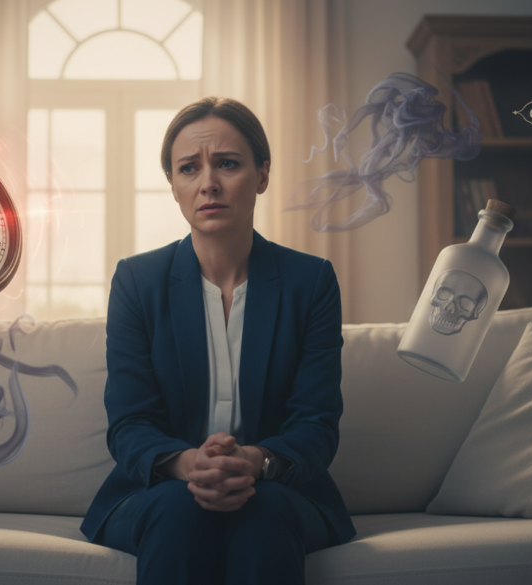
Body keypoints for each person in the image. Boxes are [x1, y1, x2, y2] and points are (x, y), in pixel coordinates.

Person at [80, 96, 355, 584]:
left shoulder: (310, 282)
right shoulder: (137, 282)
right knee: (179, 509)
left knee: (263, 510)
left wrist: (255, 461)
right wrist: (188, 465)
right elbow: (130, 422)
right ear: (174, 185)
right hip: (159, 492)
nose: (208, 183)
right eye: (189, 168)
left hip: (278, 492)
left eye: (227, 163)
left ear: (262, 175)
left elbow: (316, 423)